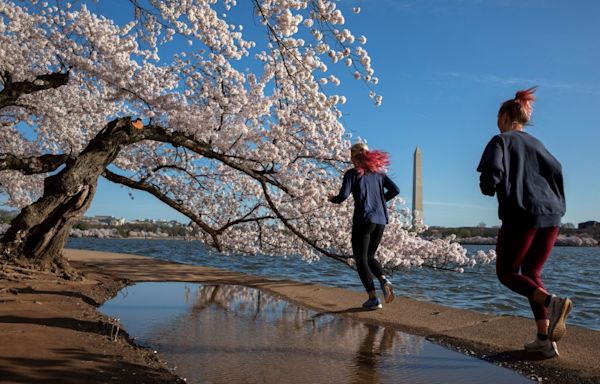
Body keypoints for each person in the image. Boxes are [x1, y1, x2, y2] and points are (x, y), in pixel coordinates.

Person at [477, 87, 572, 358]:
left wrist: (489, 185)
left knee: (507, 273)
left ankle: (553, 302)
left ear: (506, 116)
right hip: (552, 215)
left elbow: (491, 175)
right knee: (532, 273)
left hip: (522, 214)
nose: (497, 123)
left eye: (498, 117)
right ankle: (544, 339)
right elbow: (558, 172)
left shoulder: (502, 140)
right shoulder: (540, 145)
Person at [329, 143, 400, 310]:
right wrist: (381, 200)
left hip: (363, 220)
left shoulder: (353, 173)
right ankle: (384, 280)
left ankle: (373, 298)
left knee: (361, 259)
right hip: (380, 220)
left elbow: (343, 196)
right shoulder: (379, 174)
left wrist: (332, 199)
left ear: (354, 158)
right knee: (370, 256)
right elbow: (395, 190)